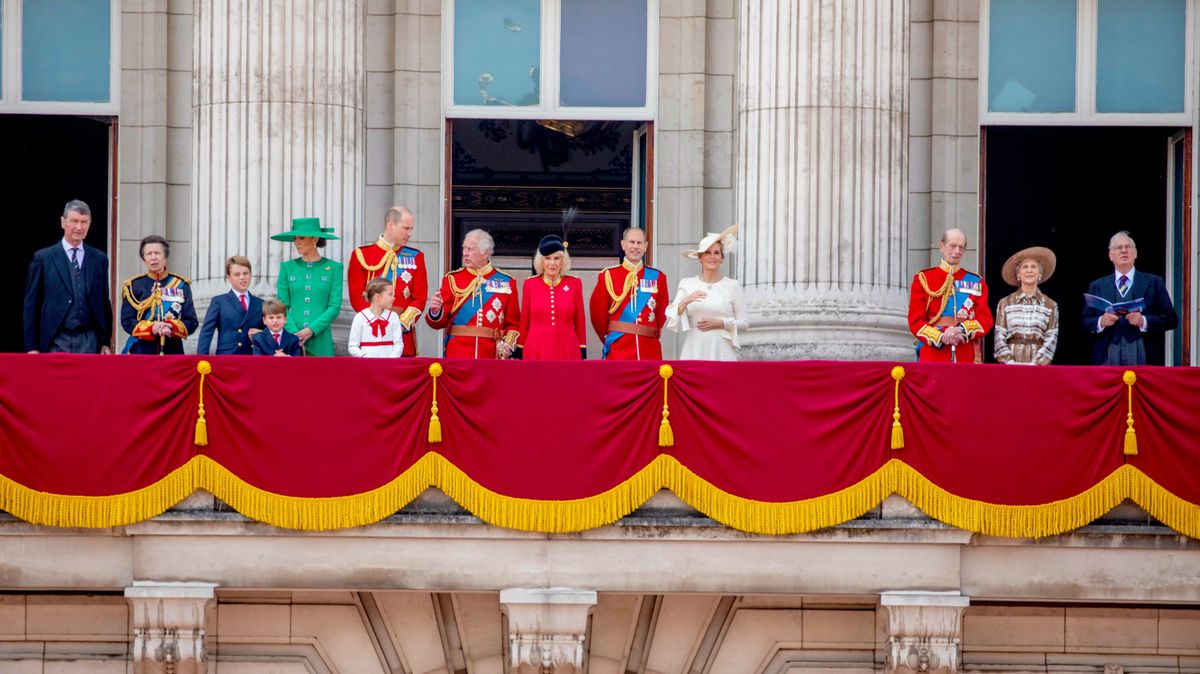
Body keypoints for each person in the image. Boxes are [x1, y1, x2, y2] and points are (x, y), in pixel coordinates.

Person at [23, 200, 114, 354]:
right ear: (63, 222)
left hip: (90, 340)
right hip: (55, 339)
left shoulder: (99, 259)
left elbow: (104, 303)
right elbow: (32, 304)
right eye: (74, 221)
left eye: (84, 222)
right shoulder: (43, 258)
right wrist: (32, 346)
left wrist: (105, 342)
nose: (79, 227)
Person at [1081, 231, 1178, 366]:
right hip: (1107, 351)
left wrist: (1143, 321)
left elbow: (1171, 319)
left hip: (1142, 349)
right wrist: (1101, 322)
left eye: (1128, 247)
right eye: (1118, 248)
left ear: (1135, 253)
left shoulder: (1154, 282)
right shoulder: (1097, 286)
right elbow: (1084, 322)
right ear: (1110, 255)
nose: (1124, 250)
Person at [426, 229, 520, 359]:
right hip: (457, 354)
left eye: (471, 249)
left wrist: (507, 345)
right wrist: (435, 311)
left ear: (486, 253)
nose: (465, 253)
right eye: (464, 248)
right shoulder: (452, 279)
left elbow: (513, 323)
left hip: (491, 354)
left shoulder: (506, 282)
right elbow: (438, 323)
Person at [347, 206, 427, 356]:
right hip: (371, 334)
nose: (410, 233)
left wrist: (399, 323)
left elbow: (419, 299)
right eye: (406, 228)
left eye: (411, 229)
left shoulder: (416, 257)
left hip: (403, 336)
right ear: (390, 224)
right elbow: (357, 296)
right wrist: (376, 319)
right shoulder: (362, 255)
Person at [908, 228, 993, 363]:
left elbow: (985, 320)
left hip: (964, 349)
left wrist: (961, 331)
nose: (957, 251)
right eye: (953, 246)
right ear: (941, 246)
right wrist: (940, 336)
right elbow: (915, 321)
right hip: (933, 351)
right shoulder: (923, 278)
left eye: (961, 247)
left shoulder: (976, 281)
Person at [666, 225, 748, 361]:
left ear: (722, 258)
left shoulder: (732, 285)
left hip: (722, 349)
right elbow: (672, 314)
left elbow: (744, 323)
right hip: (694, 349)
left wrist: (722, 323)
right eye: (707, 252)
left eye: (716, 253)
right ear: (700, 258)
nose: (712, 256)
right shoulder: (687, 283)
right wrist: (686, 301)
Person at [589, 227, 670, 360]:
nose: (635, 247)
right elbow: (598, 315)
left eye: (639, 243)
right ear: (623, 245)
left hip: (649, 350)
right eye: (631, 242)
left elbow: (661, 312)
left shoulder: (657, 277)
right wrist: (611, 338)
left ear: (646, 246)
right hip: (619, 349)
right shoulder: (608, 276)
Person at [271, 217, 343, 357]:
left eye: (302, 238)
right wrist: (295, 333)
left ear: (315, 238)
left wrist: (311, 329)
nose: (297, 243)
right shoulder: (287, 268)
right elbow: (282, 305)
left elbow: (334, 306)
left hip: (320, 338)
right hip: (293, 338)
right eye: (295, 238)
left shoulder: (335, 268)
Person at [120, 235, 199, 355]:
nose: (153, 258)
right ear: (144, 259)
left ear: (165, 257)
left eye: (157, 253)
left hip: (172, 350)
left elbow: (191, 322)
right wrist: (151, 328)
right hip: (142, 351)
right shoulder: (134, 286)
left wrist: (171, 327)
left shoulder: (181, 285)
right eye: (149, 254)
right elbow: (127, 321)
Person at [517, 235, 587, 360]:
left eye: (557, 258)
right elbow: (524, 321)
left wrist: (582, 348)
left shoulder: (574, 283)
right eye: (547, 258)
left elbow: (580, 320)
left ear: (563, 261)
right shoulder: (530, 284)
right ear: (541, 261)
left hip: (568, 349)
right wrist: (520, 347)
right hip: (536, 349)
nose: (552, 263)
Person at [994, 246, 1059, 365]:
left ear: (1040, 273)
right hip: (1009, 368)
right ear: (1018, 274)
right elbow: (999, 338)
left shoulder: (1051, 305)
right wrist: (1010, 364)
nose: (1029, 270)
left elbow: (1051, 339)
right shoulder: (1005, 303)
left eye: (1033, 267)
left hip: (1039, 370)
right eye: (1025, 267)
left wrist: (1035, 365)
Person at [197, 255, 265, 355]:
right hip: (227, 357)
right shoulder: (219, 302)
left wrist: (262, 334)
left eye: (246, 273)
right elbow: (206, 333)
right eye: (237, 274)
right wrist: (201, 359)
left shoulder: (260, 303)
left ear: (250, 274)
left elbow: (270, 332)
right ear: (229, 277)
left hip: (253, 357)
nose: (242, 277)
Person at [349, 278, 405, 358]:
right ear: (377, 297)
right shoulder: (360, 317)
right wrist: (365, 358)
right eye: (390, 294)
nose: (393, 298)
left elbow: (398, 344)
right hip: (367, 366)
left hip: (389, 366)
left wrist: (391, 360)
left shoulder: (393, 317)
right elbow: (352, 346)